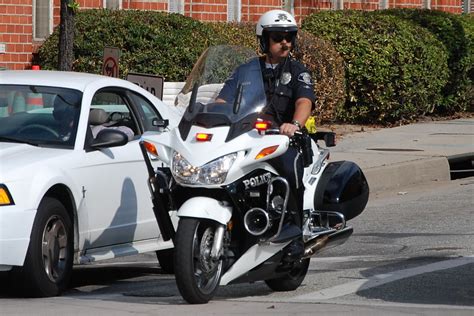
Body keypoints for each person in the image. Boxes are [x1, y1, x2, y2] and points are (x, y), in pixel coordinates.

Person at [217, 10, 316, 258]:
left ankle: (294, 233)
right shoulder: (246, 70)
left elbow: (304, 102)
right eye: (278, 37)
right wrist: (208, 113)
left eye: (289, 37)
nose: (285, 42)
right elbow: (222, 99)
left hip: (281, 138)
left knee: (289, 168)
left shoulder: (297, 71)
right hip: (245, 136)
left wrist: (294, 124)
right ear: (264, 40)